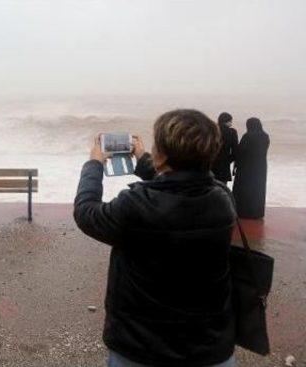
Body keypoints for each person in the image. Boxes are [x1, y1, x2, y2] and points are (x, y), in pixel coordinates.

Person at [74, 109, 237, 367]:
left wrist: (94, 164)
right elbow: (184, 182)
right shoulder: (223, 200)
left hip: (141, 348)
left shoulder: (136, 205)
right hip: (209, 346)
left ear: (160, 156)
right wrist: (145, 160)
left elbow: (86, 213)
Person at [232, 117, 270, 219]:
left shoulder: (247, 136)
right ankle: (257, 212)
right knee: (258, 189)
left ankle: (243, 212)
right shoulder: (265, 136)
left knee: (244, 189)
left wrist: (235, 163)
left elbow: (240, 152)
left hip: (246, 167)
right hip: (260, 167)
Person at [212, 112, 239, 184]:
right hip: (224, 166)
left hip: (211, 164)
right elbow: (235, 151)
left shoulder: (212, 130)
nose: (231, 124)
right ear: (227, 121)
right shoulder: (232, 132)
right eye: (231, 121)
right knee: (222, 189)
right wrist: (228, 160)